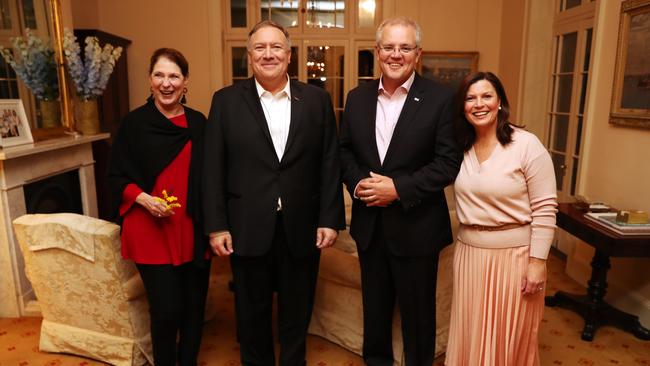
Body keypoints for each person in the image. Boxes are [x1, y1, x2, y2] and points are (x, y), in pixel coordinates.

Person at [202, 20, 345, 366]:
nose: (269, 54)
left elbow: (329, 163)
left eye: (276, 47)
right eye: (260, 48)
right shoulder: (225, 102)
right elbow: (212, 168)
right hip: (247, 227)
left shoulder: (316, 100)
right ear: (249, 57)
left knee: (297, 317)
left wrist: (330, 219)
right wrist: (217, 225)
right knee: (252, 318)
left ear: (289, 54)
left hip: (302, 226)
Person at [339, 17, 461, 366]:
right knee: (374, 316)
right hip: (370, 227)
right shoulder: (357, 97)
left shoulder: (440, 99)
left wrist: (398, 188)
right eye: (389, 47)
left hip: (418, 228)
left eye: (405, 48)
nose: (396, 54)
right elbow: (343, 151)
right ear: (377, 52)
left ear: (417, 54)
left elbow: (447, 163)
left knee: (419, 320)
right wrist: (359, 183)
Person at [444, 71, 557, 366]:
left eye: (486, 96)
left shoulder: (526, 145)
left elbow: (545, 208)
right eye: (470, 98)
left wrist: (538, 262)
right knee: (472, 332)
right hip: (469, 256)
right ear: (462, 107)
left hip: (514, 259)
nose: (478, 104)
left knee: (509, 334)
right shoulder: (459, 147)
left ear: (500, 102)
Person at [107, 48, 210, 366]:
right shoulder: (134, 124)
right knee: (167, 311)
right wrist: (143, 199)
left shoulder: (198, 123)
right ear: (150, 80)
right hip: (149, 229)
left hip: (192, 228)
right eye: (159, 75)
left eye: (174, 76)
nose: (167, 83)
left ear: (185, 81)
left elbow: (211, 174)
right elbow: (114, 177)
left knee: (194, 310)